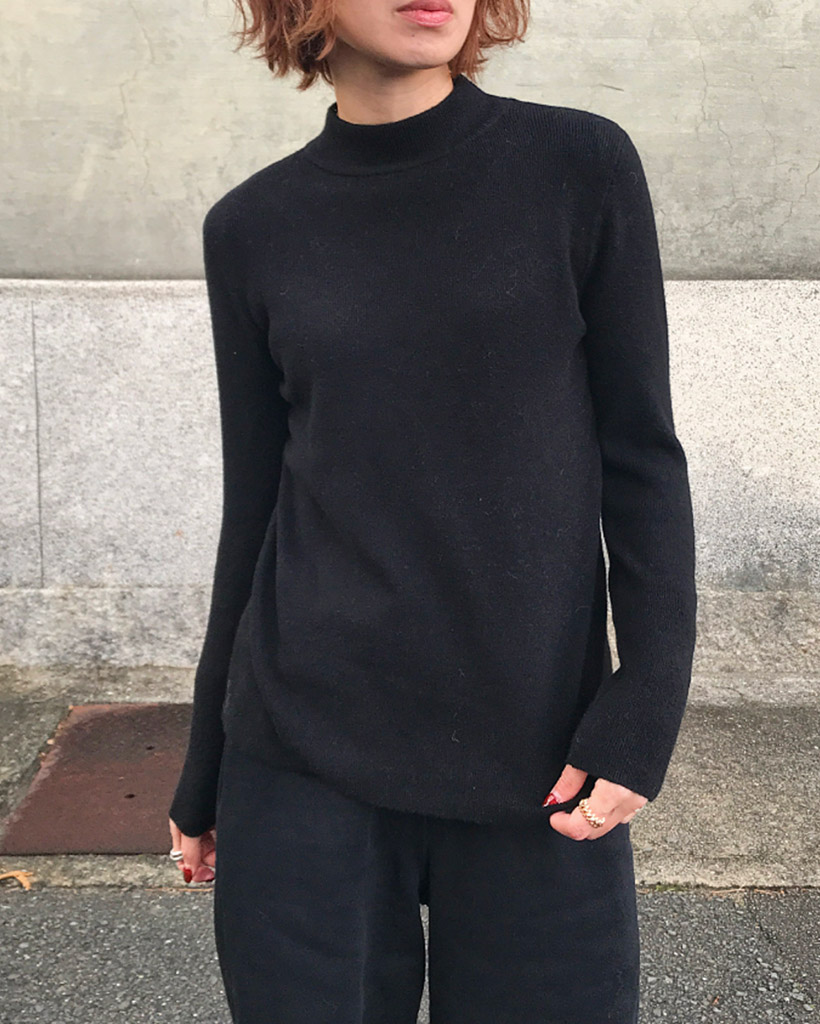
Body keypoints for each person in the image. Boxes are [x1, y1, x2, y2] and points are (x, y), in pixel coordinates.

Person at [167, 0, 698, 1020]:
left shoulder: (576, 165)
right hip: (300, 748)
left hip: (537, 751)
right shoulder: (252, 226)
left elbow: (640, 454)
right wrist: (206, 765)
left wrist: (646, 702)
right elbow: (258, 504)